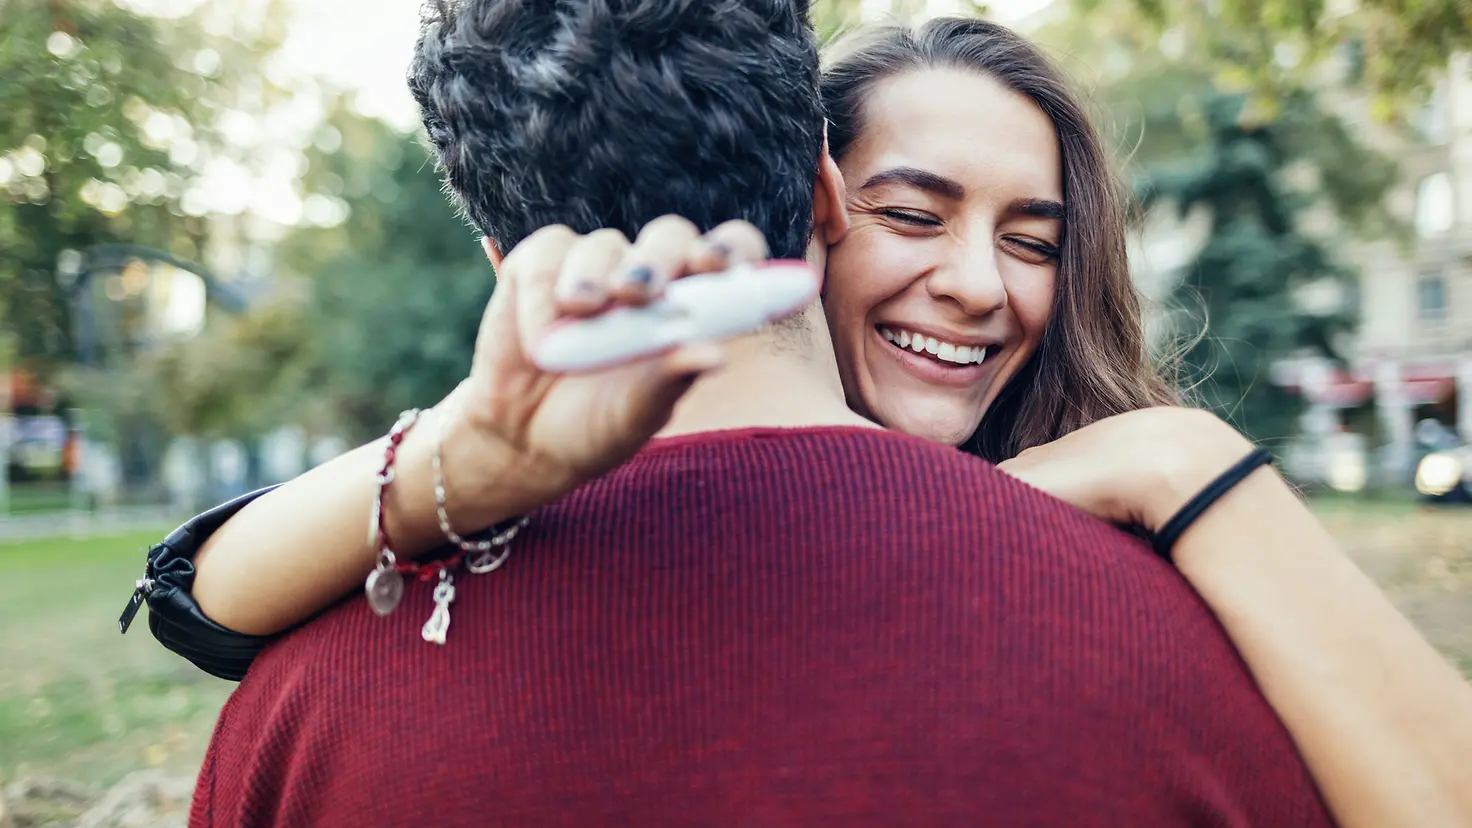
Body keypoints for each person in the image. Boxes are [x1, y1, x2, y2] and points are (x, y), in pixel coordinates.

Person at [126, 8, 1471, 828]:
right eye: (914, 211)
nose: (977, 282)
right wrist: (467, 466)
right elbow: (207, 585)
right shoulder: (487, 492)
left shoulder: (1178, 555)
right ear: (816, 204)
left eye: (1036, 239)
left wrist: (1184, 458)